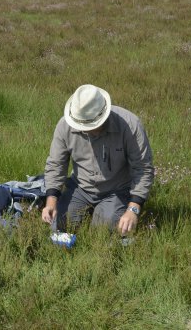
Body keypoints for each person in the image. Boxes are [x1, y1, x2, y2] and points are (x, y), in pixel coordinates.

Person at [41, 84, 154, 236]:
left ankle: (105, 214)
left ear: (104, 115)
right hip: (80, 188)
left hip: (116, 190)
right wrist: (51, 201)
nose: (86, 130)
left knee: (101, 232)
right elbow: (56, 164)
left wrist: (133, 209)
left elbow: (143, 168)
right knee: (59, 227)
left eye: (91, 125)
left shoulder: (130, 124)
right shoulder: (64, 126)